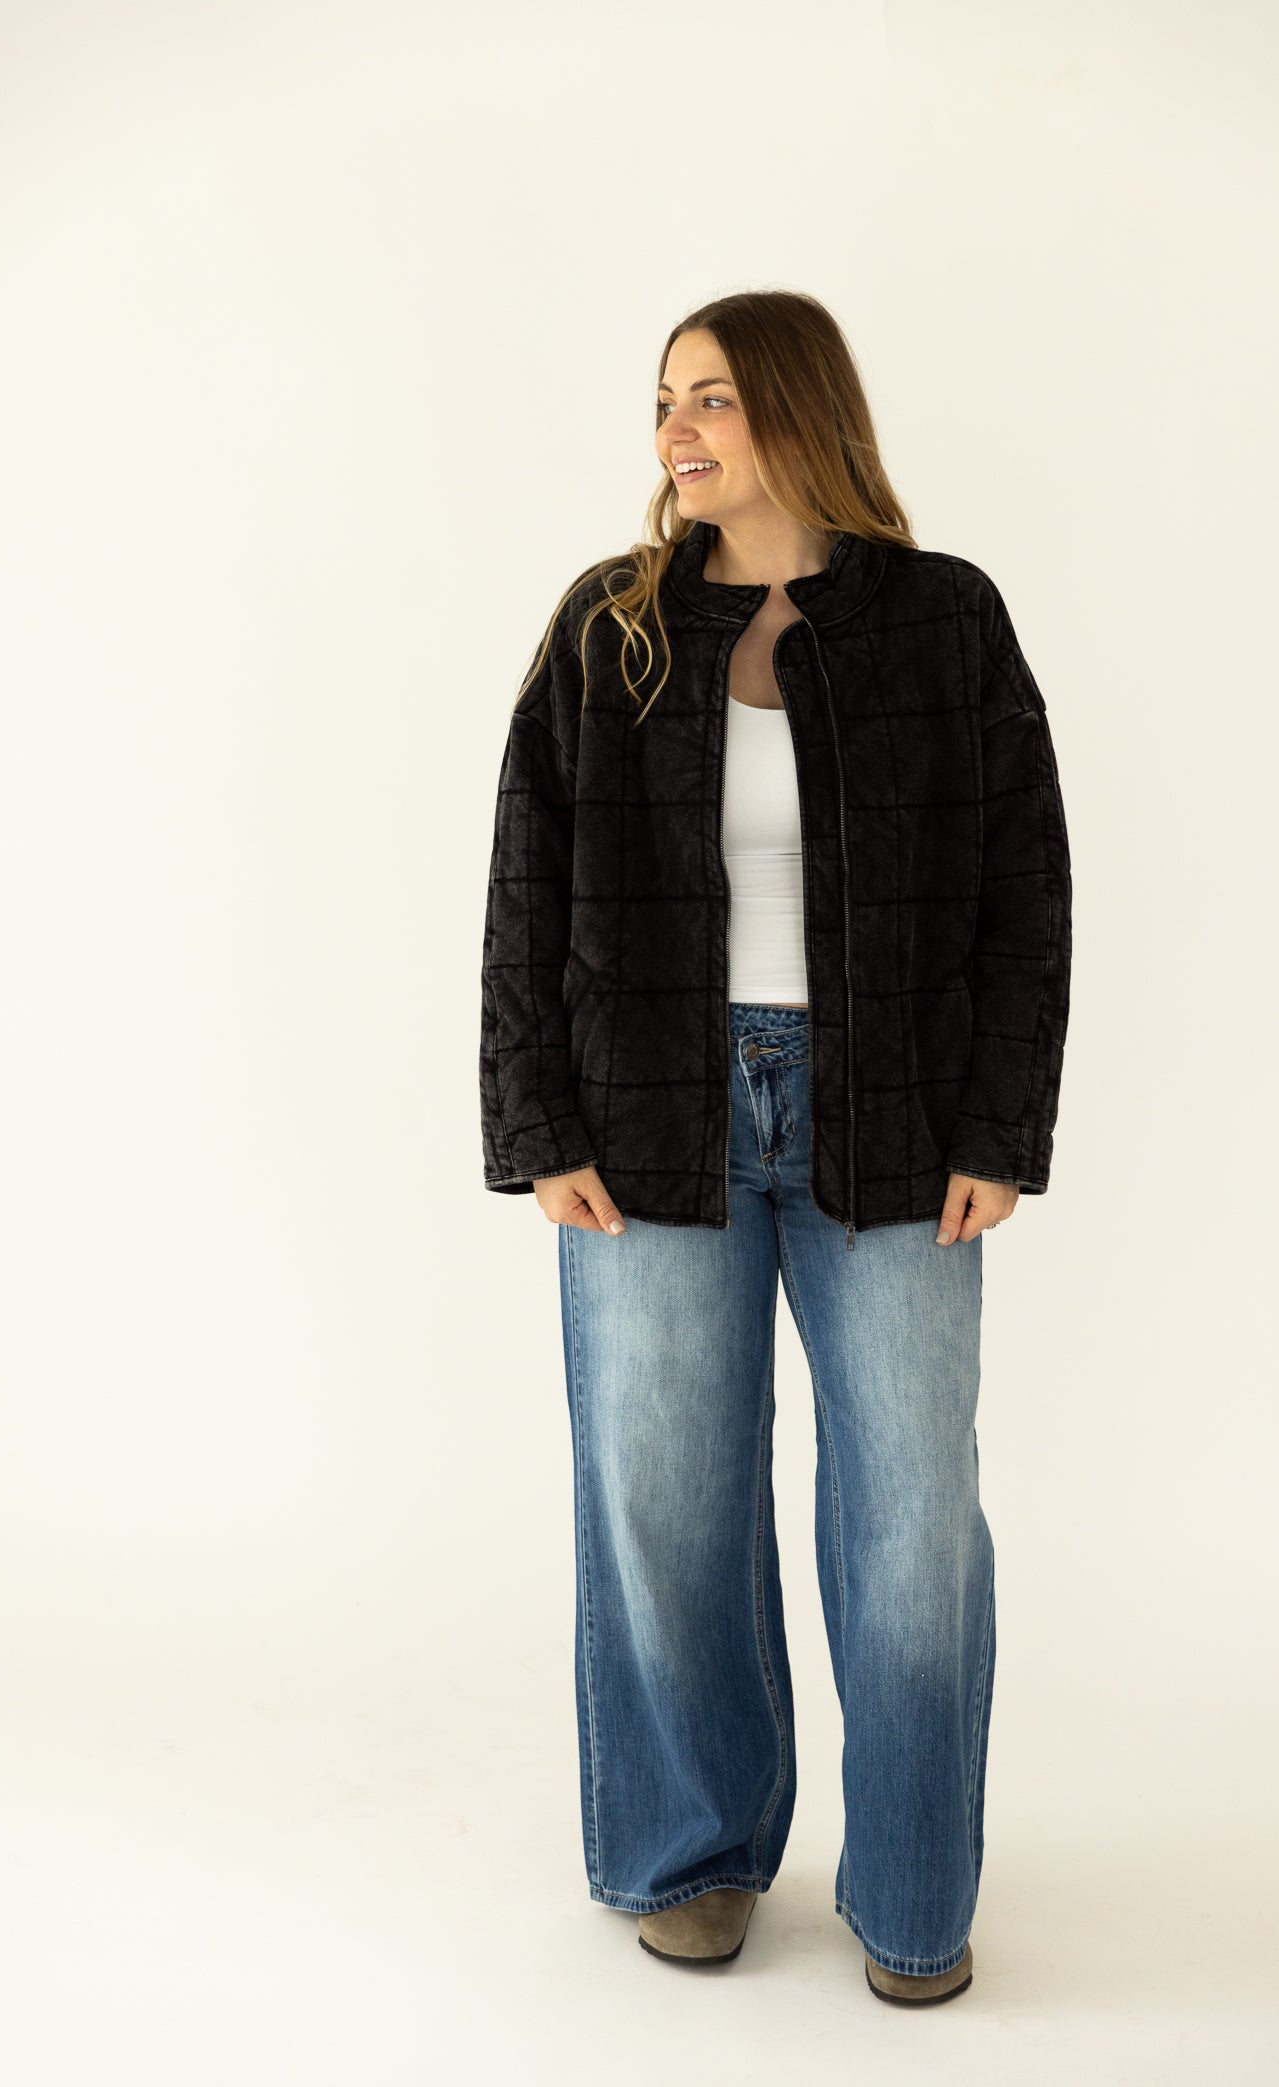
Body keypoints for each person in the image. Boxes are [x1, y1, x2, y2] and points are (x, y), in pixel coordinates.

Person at [478, 289, 1073, 2005]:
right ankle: (696, 1850)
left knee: (913, 1523)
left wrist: (1000, 1127)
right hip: (647, 1117)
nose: (678, 428)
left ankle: (913, 1893)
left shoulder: (944, 619)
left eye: (716, 396)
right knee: (662, 1502)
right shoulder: (612, 625)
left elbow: (1026, 890)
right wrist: (537, 1122)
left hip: (895, 1122)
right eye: (666, 398)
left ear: (801, 410)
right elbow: (526, 882)